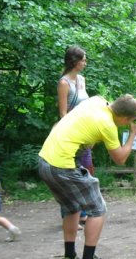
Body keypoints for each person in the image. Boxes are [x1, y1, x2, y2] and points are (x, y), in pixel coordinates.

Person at [38, 94, 136, 259]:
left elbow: (80, 125)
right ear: (125, 118)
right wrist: (133, 134)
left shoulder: (96, 100)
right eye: (130, 120)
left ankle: (69, 255)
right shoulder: (108, 125)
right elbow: (120, 159)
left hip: (44, 161)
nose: (129, 123)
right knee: (97, 209)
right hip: (62, 167)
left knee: (71, 206)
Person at [57, 45, 91, 226]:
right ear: (74, 61)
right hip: (70, 135)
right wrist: (74, 133)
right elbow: (63, 113)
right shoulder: (64, 83)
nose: (85, 63)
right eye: (84, 59)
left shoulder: (82, 80)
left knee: (84, 173)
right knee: (69, 176)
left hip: (84, 133)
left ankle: (83, 213)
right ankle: (69, 217)